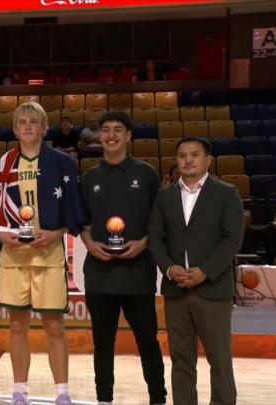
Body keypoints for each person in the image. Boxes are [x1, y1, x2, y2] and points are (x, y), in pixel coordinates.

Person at [0, 101, 86, 405]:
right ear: (15, 129)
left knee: (54, 325)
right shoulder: (6, 161)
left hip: (49, 256)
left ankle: (62, 393)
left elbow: (73, 209)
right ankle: (20, 391)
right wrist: (2, 233)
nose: (28, 126)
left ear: (44, 128)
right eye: (22, 122)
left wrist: (56, 233)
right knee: (17, 325)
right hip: (15, 258)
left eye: (34, 122)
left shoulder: (62, 162)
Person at [148, 137, 244, 405]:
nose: (188, 160)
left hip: (213, 289)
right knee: (181, 360)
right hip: (176, 290)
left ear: (208, 160)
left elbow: (232, 239)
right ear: (176, 161)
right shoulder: (164, 196)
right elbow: (155, 238)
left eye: (194, 154)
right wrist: (169, 269)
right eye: (182, 155)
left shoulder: (227, 193)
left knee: (220, 359)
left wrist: (205, 271)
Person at [79, 111, 166, 405]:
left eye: (118, 129)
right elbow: (83, 223)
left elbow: (159, 221)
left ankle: (158, 399)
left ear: (128, 135)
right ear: (99, 136)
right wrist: (89, 244)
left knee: (148, 342)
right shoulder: (88, 177)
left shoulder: (147, 174)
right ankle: (104, 399)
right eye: (106, 129)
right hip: (100, 274)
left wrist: (144, 243)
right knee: (103, 344)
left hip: (137, 272)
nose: (111, 134)